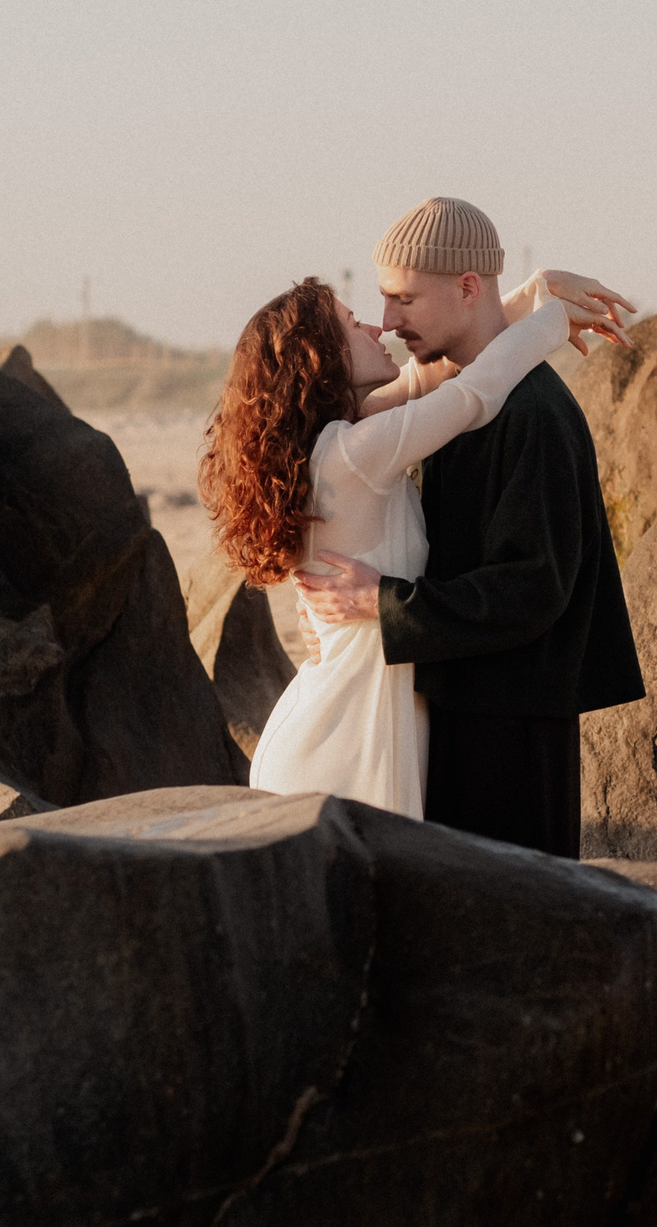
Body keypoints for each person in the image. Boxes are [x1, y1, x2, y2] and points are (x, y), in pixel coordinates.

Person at [199, 246, 631, 819]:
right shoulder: (353, 454)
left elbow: (434, 370)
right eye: (354, 324)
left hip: (352, 713)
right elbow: (473, 393)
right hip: (349, 730)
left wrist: (530, 293)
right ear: (321, 359)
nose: (379, 325)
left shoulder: (342, 440)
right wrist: (551, 320)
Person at [296, 197, 646, 858]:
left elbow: (533, 587)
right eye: (381, 302)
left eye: (403, 300)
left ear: (464, 287)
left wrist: (382, 601)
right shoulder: (452, 399)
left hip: (512, 735)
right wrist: (534, 299)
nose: (389, 321)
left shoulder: (534, 411)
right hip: (455, 711)